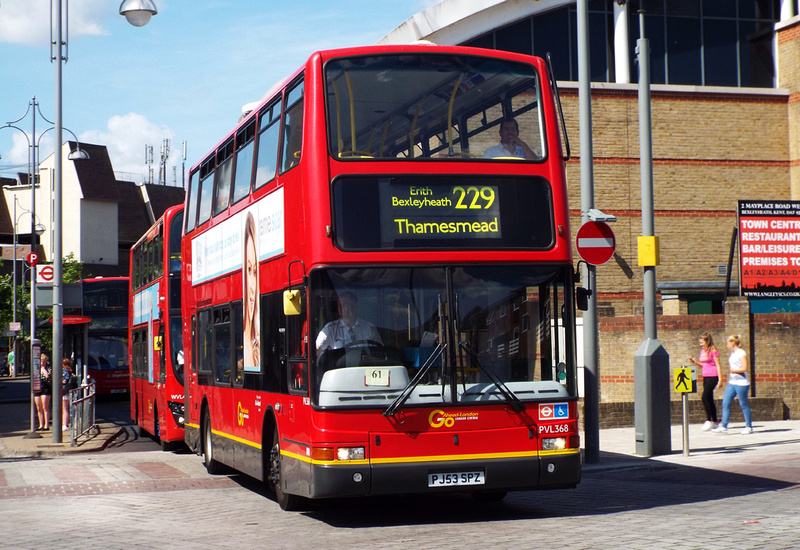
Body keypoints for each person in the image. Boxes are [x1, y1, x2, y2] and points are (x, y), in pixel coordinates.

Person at [316, 291, 383, 353]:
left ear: (355, 306)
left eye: (344, 304)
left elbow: (380, 352)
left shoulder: (369, 328)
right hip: (341, 365)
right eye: (338, 304)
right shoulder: (330, 329)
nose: (340, 307)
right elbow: (316, 351)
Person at [713, 334, 753, 434]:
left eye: (728, 343)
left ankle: (749, 426)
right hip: (732, 382)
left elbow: (745, 368)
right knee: (725, 403)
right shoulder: (733, 353)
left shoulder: (741, 353)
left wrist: (734, 371)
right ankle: (724, 426)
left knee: (743, 404)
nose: (727, 345)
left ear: (733, 343)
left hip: (741, 383)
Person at [689, 332, 722, 431]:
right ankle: (715, 421)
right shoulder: (702, 352)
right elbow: (705, 365)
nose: (701, 344)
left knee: (704, 397)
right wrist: (695, 362)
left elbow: (718, 365)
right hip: (705, 376)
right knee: (710, 398)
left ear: (707, 341)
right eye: (700, 342)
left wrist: (720, 379)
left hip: (713, 376)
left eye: (702, 342)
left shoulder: (713, 351)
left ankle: (709, 420)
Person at [242, 211, 261, 370]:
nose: (252, 285)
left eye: (255, 272)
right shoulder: (245, 336)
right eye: (249, 270)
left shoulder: (260, 333)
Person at [34, 353, 52, 431]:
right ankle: (40, 424)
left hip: (45, 388)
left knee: (45, 406)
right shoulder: (36, 369)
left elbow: (48, 377)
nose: (42, 362)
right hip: (37, 388)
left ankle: (46, 425)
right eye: (41, 360)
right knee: (39, 407)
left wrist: (44, 369)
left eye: (44, 361)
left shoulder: (48, 368)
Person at [61, 358, 78, 431]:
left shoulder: (64, 371)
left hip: (64, 391)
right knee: (66, 408)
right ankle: (66, 424)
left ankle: (64, 424)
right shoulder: (70, 371)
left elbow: (64, 381)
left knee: (64, 409)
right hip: (68, 391)